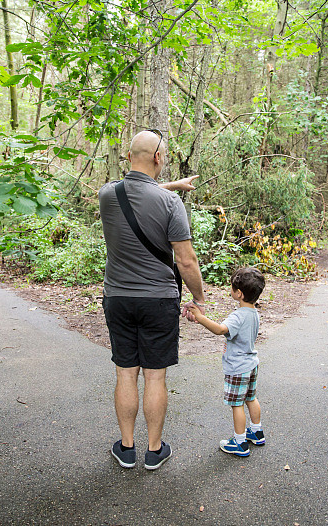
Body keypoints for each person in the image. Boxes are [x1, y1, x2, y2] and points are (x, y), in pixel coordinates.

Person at [98, 129, 207, 470]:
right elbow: (186, 261)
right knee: (155, 377)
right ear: (159, 158)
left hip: (117, 298)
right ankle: (154, 450)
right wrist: (199, 297)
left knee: (126, 374)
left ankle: (127, 448)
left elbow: (139, 194)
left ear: (129, 157)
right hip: (159, 301)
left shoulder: (107, 195)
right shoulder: (170, 204)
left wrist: (174, 185)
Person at [185, 267, 266, 457]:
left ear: (239, 293)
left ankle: (239, 443)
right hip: (251, 364)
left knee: (237, 404)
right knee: (251, 398)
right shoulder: (254, 313)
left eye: (232, 286)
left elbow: (221, 330)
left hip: (237, 368)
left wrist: (200, 317)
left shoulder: (238, 316)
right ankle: (256, 432)